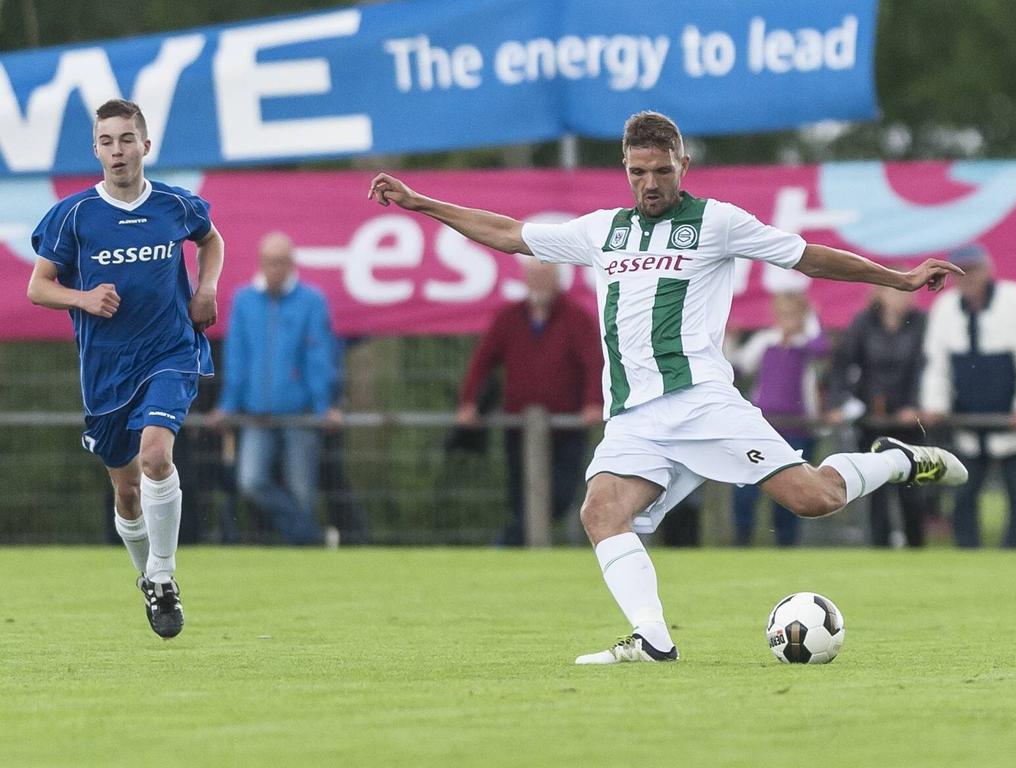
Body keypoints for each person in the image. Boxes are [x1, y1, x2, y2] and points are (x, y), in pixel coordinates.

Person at [368, 110, 968, 665]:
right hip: (633, 417)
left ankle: (893, 461)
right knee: (601, 511)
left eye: (660, 170)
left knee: (815, 500)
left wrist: (899, 277)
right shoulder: (603, 231)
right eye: (637, 172)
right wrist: (420, 202)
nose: (649, 183)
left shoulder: (718, 222)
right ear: (625, 171)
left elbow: (807, 257)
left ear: (683, 165)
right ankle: (653, 641)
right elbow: (508, 233)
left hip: (702, 403)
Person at [27, 98, 224, 639]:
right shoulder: (74, 215)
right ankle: (151, 581)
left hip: (169, 353)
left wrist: (206, 288)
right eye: (107, 141)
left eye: (126, 139)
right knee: (127, 492)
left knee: (156, 455)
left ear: (145, 145)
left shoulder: (175, 205)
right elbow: (38, 286)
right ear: (96, 149)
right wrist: (84, 298)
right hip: (107, 370)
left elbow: (211, 239)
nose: (117, 150)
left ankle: (164, 573)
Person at [457, 256, 604, 545]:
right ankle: (517, 547)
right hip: (520, 427)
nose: (539, 283)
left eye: (545, 276)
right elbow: (483, 360)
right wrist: (468, 401)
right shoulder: (509, 317)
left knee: (560, 496)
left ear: (557, 279)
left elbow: (593, 363)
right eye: (534, 276)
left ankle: (507, 544)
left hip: (566, 429)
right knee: (520, 497)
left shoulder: (577, 318)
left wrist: (593, 402)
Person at [209, 232, 342, 545]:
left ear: (292, 263)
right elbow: (237, 358)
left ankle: (303, 556)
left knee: (301, 491)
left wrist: (324, 405)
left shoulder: (312, 301)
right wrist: (229, 404)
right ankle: (314, 539)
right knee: (251, 482)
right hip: (257, 415)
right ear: (261, 262)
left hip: (301, 414)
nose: (276, 269)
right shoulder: (244, 301)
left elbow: (319, 357)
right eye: (270, 262)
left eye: (281, 262)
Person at [919, 243, 1016, 547]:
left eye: (974, 270)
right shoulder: (945, 308)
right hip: (967, 421)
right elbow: (936, 363)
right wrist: (935, 405)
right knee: (963, 495)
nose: (968, 278)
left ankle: (1014, 553)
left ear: (988, 269)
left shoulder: (1014, 300)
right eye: (961, 272)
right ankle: (967, 550)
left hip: (1013, 425)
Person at [827, 284, 932, 547]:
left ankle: (916, 549)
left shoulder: (923, 324)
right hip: (872, 422)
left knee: (913, 491)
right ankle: (879, 547)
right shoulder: (863, 324)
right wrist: (839, 403)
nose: (904, 297)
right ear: (881, 294)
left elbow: (926, 367)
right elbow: (842, 366)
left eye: (909, 291)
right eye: (898, 290)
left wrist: (917, 405)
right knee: (877, 490)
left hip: (910, 423)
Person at [730, 291, 830, 546]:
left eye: (795, 314)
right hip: (764, 426)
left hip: (798, 427)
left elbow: (822, 348)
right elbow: (738, 367)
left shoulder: (807, 344)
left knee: (792, 489)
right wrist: (730, 341)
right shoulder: (765, 341)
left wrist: (812, 321)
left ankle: (786, 543)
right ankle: (743, 539)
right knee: (748, 487)